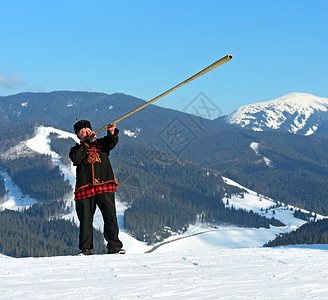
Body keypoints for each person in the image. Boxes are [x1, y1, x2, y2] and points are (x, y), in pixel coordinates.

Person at [69, 119, 124, 255]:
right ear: (78, 136)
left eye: (88, 130)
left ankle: (114, 246)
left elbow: (111, 143)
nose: (86, 133)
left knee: (110, 216)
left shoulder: (101, 144)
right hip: (85, 189)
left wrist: (111, 132)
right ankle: (85, 249)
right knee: (85, 220)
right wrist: (87, 142)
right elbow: (77, 158)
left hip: (104, 185)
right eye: (83, 132)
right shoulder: (76, 149)